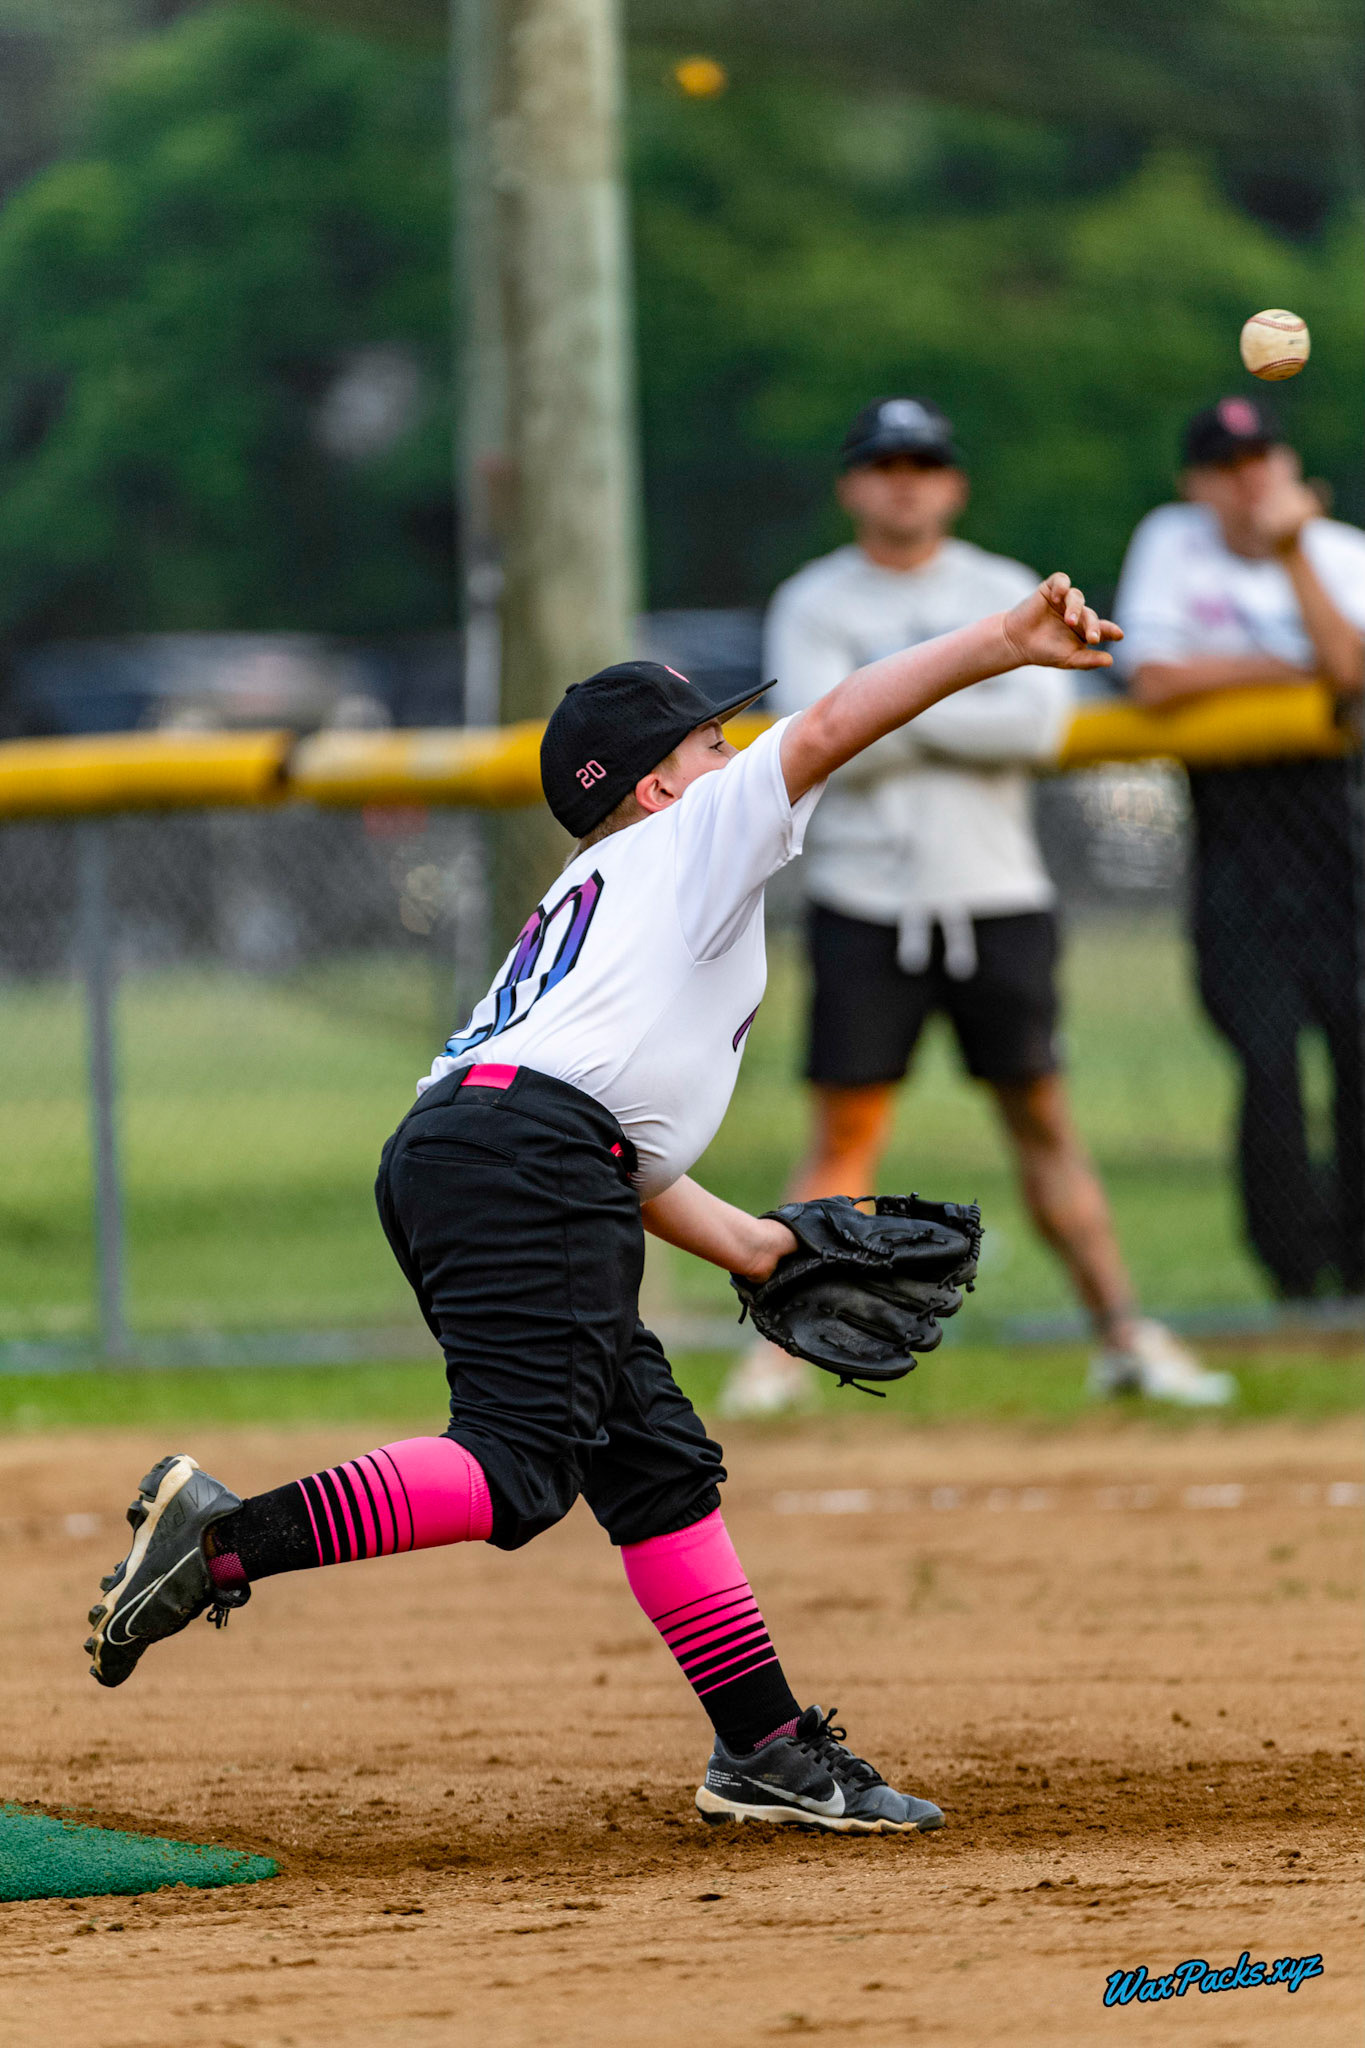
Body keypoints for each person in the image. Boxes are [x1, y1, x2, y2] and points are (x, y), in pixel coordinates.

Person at [86, 571, 1120, 1836]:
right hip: (524, 1152)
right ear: (656, 783)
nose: (731, 748)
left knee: (657, 1465)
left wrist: (748, 1242)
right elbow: (843, 715)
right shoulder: (694, 832)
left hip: (464, 1148)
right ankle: (227, 1538)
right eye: (706, 739)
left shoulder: (596, 899)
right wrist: (1002, 641)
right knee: (518, 1465)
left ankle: (768, 1751)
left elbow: (590, 1124)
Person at [721, 396, 1232, 1419]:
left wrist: (887, 705)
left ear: (953, 481)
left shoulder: (1002, 587)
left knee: (1044, 1118)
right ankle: (779, 1352)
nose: (903, 479)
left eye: (923, 461)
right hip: (867, 904)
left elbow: (1035, 731)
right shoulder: (814, 598)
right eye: (882, 462)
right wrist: (958, 695)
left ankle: (1123, 1332)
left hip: (996, 898)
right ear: (850, 483)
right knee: (843, 1138)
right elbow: (822, 740)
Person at [1113, 395, 1365, 1300]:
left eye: (1261, 457)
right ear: (1196, 484)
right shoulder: (1172, 542)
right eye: (1225, 464)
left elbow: (1353, 674)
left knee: (1356, 1046)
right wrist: (1286, 666)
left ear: (1289, 469)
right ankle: (1294, 1274)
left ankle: (1359, 1268)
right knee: (1263, 1055)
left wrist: (1293, 547)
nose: (1247, 478)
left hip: (1342, 822)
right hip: (1232, 830)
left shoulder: (1336, 551)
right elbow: (1152, 676)